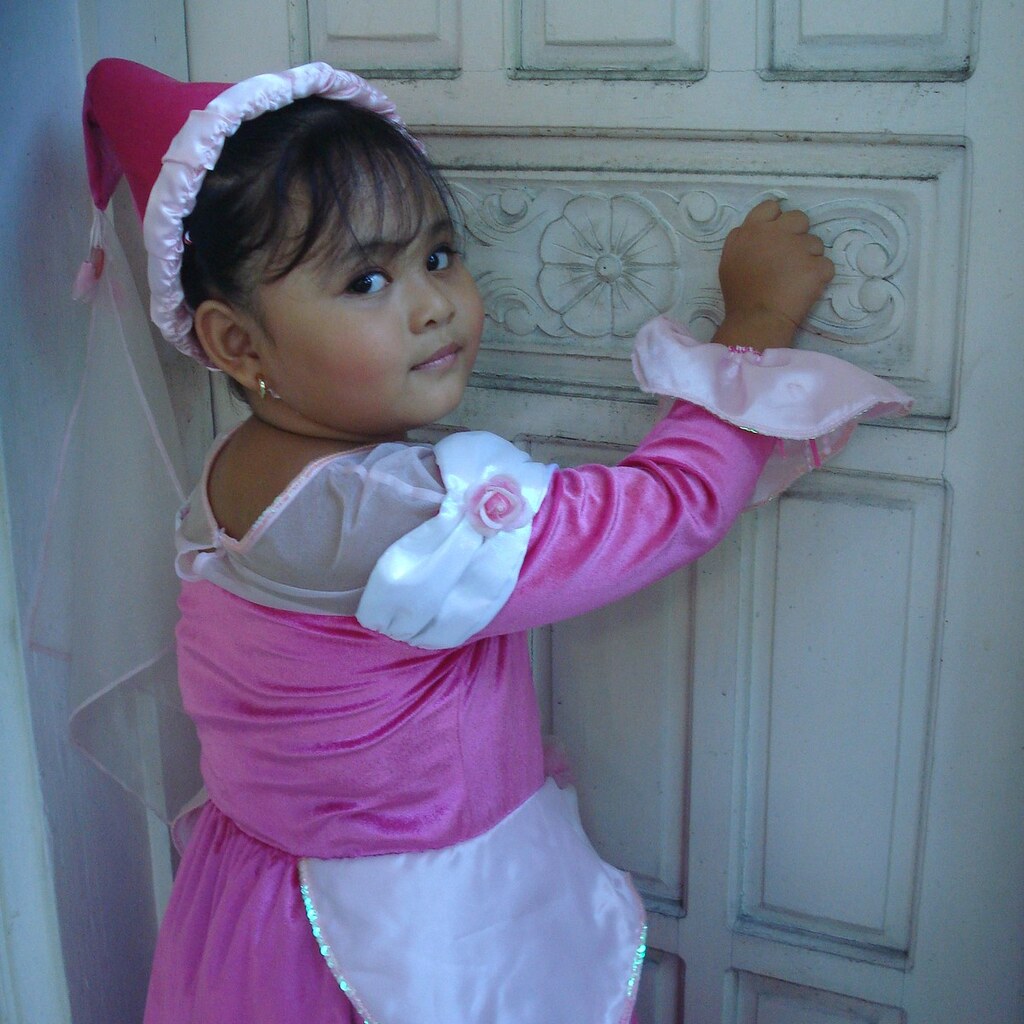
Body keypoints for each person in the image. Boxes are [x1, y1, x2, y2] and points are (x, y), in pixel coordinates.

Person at [78, 59, 911, 1024]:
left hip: (260, 911)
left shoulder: (238, 469)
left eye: (439, 255)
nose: (433, 303)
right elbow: (663, 509)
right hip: (400, 935)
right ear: (237, 344)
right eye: (367, 280)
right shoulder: (395, 517)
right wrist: (754, 321)